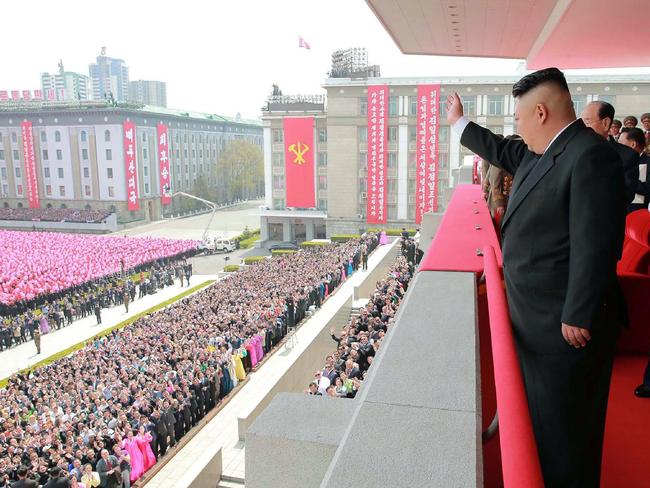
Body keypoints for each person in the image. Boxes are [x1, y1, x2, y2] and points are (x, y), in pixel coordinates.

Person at [446, 67, 626, 487]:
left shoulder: (589, 155)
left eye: (519, 119)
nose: (517, 128)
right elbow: (499, 149)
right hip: (537, 320)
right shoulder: (538, 153)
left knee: (567, 435)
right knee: (542, 425)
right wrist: (459, 122)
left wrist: (578, 312)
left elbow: (597, 240)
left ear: (541, 112)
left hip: (565, 329)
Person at [580, 101, 640, 207]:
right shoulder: (573, 150)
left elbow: (626, 194)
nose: (583, 128)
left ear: (606, 123)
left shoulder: (627, 155)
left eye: (587, 122)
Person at [618, 127, 649, 212]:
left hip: (636, 210)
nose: (618, 146)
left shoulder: (645, 163)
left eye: (621, 143)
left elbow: (642, 188)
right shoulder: (621, 161)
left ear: (633, 144)